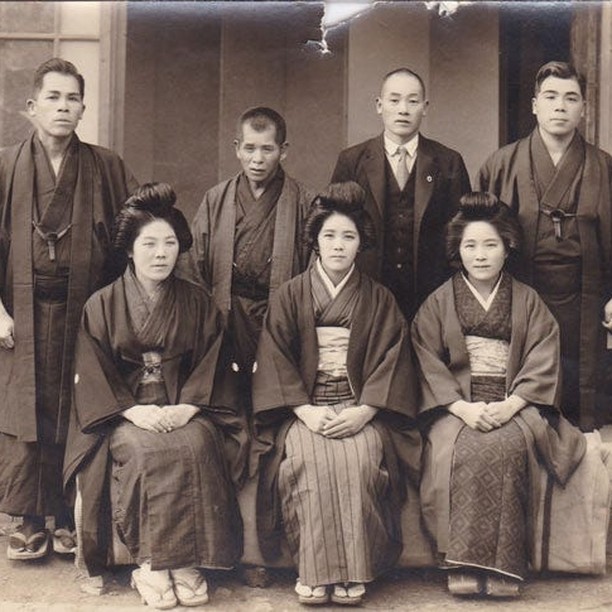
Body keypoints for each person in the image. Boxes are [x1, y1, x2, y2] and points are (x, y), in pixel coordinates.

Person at [64, 183, 247, 609]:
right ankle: (151, 564)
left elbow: (214, 363)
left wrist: (187, 407)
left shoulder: (198, 302)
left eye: (169, 243)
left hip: (185, 408)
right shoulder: (101, 304)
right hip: (123, 415)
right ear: (129, 250)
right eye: (149, 244)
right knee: (144, 451)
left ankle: (185, 562)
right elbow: (93, 373)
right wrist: (133, 412)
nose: (161, 253)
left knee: (197, 444)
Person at [252, 182, 421, 606]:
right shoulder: (290, 295)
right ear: (315, 240)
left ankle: (352, 572)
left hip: (360, 406)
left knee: (360, 462)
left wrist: (365, 411)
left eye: (349, 236)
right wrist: (305, 410)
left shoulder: (379, 298)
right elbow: (275, 358)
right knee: (307, 461)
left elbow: (393, 360)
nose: (338, 245)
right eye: (329, 235)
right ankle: (314, 572)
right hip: (304, 408)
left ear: (361, 243)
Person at [411, 192, 587, 598]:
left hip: (514, 403)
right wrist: (462, 408)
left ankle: (506, 565)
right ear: (457, 250)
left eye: (490, 244)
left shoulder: (527, 300)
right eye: (470, 245)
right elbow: (425, 361)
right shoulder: (438, 302)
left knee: (509, 447)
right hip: (456, 406)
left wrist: (510, 405)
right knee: (461, 449)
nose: (480, 255)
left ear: (508, 247)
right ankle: (460, 562)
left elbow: (543, 356)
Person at [0, 57, 137, 560]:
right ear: (31, 106)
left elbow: (137, 234)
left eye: (72, 98)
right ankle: (28, 517)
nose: (63, 107)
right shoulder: (5, 165)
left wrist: (120, 311)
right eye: (53, 97)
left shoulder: (107, 166)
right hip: (21, 309)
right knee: (27, 408)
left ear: (83, 108)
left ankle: (69, 514)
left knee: (79, 406)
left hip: (87, 311)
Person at [477, 61, 612, 430]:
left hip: (586, 298)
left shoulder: (605, 167)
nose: (560, 106)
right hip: (521, 295)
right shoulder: (501, 164)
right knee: (522, 397)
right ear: (535, 105)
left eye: (571, 98)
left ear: (583, 108)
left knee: (580, 403)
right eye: (550, 97)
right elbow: (477, 240)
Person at [331, 67, 470, 321]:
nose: (403, 109)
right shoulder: (352, 161)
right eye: (394, 100)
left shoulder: (448, 162)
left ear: (425, 107)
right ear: (379, 105)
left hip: (431, 294)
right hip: (366, 290)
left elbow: (461, 235)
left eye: (412, 101)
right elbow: (333, 228)